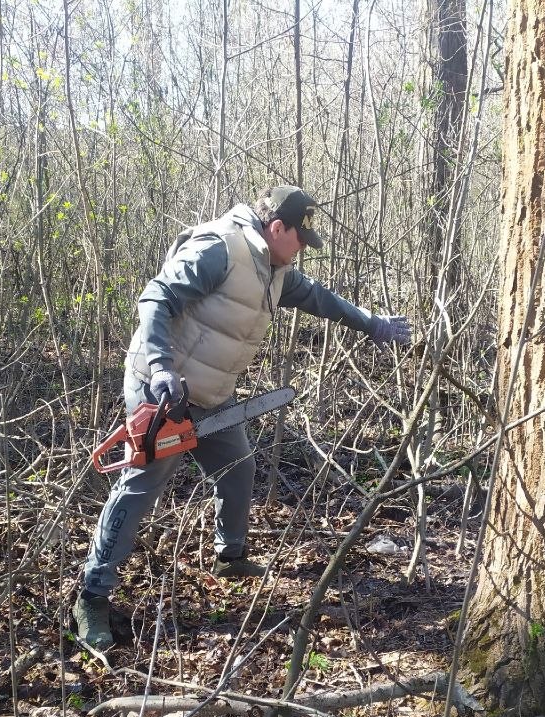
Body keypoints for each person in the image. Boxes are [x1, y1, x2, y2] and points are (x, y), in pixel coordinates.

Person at [74, 185, 411, 649]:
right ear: (278, 228)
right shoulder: (220, 249)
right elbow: (156, 297)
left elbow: (318, 297)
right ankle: (92, 594)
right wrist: (159, 367)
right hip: (162, 386)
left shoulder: (275, 269)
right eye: (300, 240)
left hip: (212, 394)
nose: (302, 252)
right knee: (141, 486)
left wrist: (372, 323)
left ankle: (229, 556)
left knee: (238, 468)